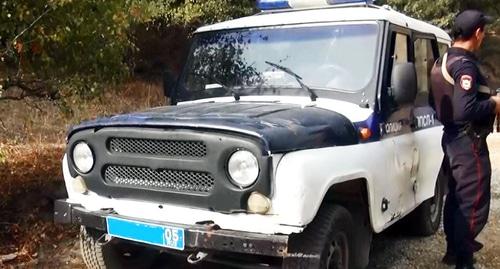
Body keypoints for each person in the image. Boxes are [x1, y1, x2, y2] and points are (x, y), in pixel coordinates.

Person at [430, 10, 500, 269]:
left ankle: (453, 250)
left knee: (456, 198)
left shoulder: (442, 60)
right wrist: (493, 105)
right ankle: (464, 259)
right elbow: (464, 110)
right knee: (473, 203)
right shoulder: (465, 64)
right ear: (478, 33)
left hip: (451, 139)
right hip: (468, 143)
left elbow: (435, 102)